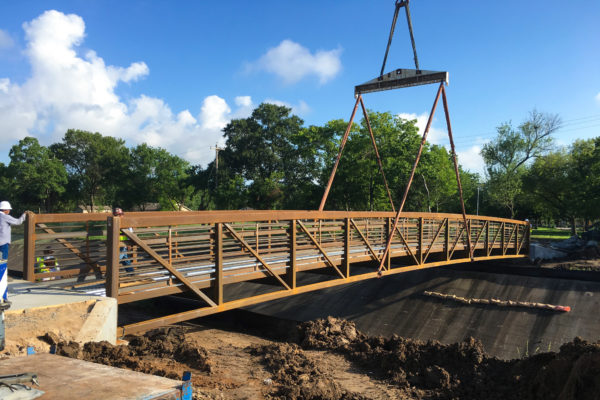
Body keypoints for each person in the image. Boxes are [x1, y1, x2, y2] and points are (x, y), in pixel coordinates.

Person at [113, 207, 134, 273]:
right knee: (125, 260)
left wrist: (129, 243)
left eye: (120, 215)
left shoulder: (126, 223)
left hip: (122, 244)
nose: (119, 216)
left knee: (117, 260)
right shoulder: (114, 222)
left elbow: (130, 233)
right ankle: (131, 273)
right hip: (117, 244)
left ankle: (109, 274)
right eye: (116, 215)